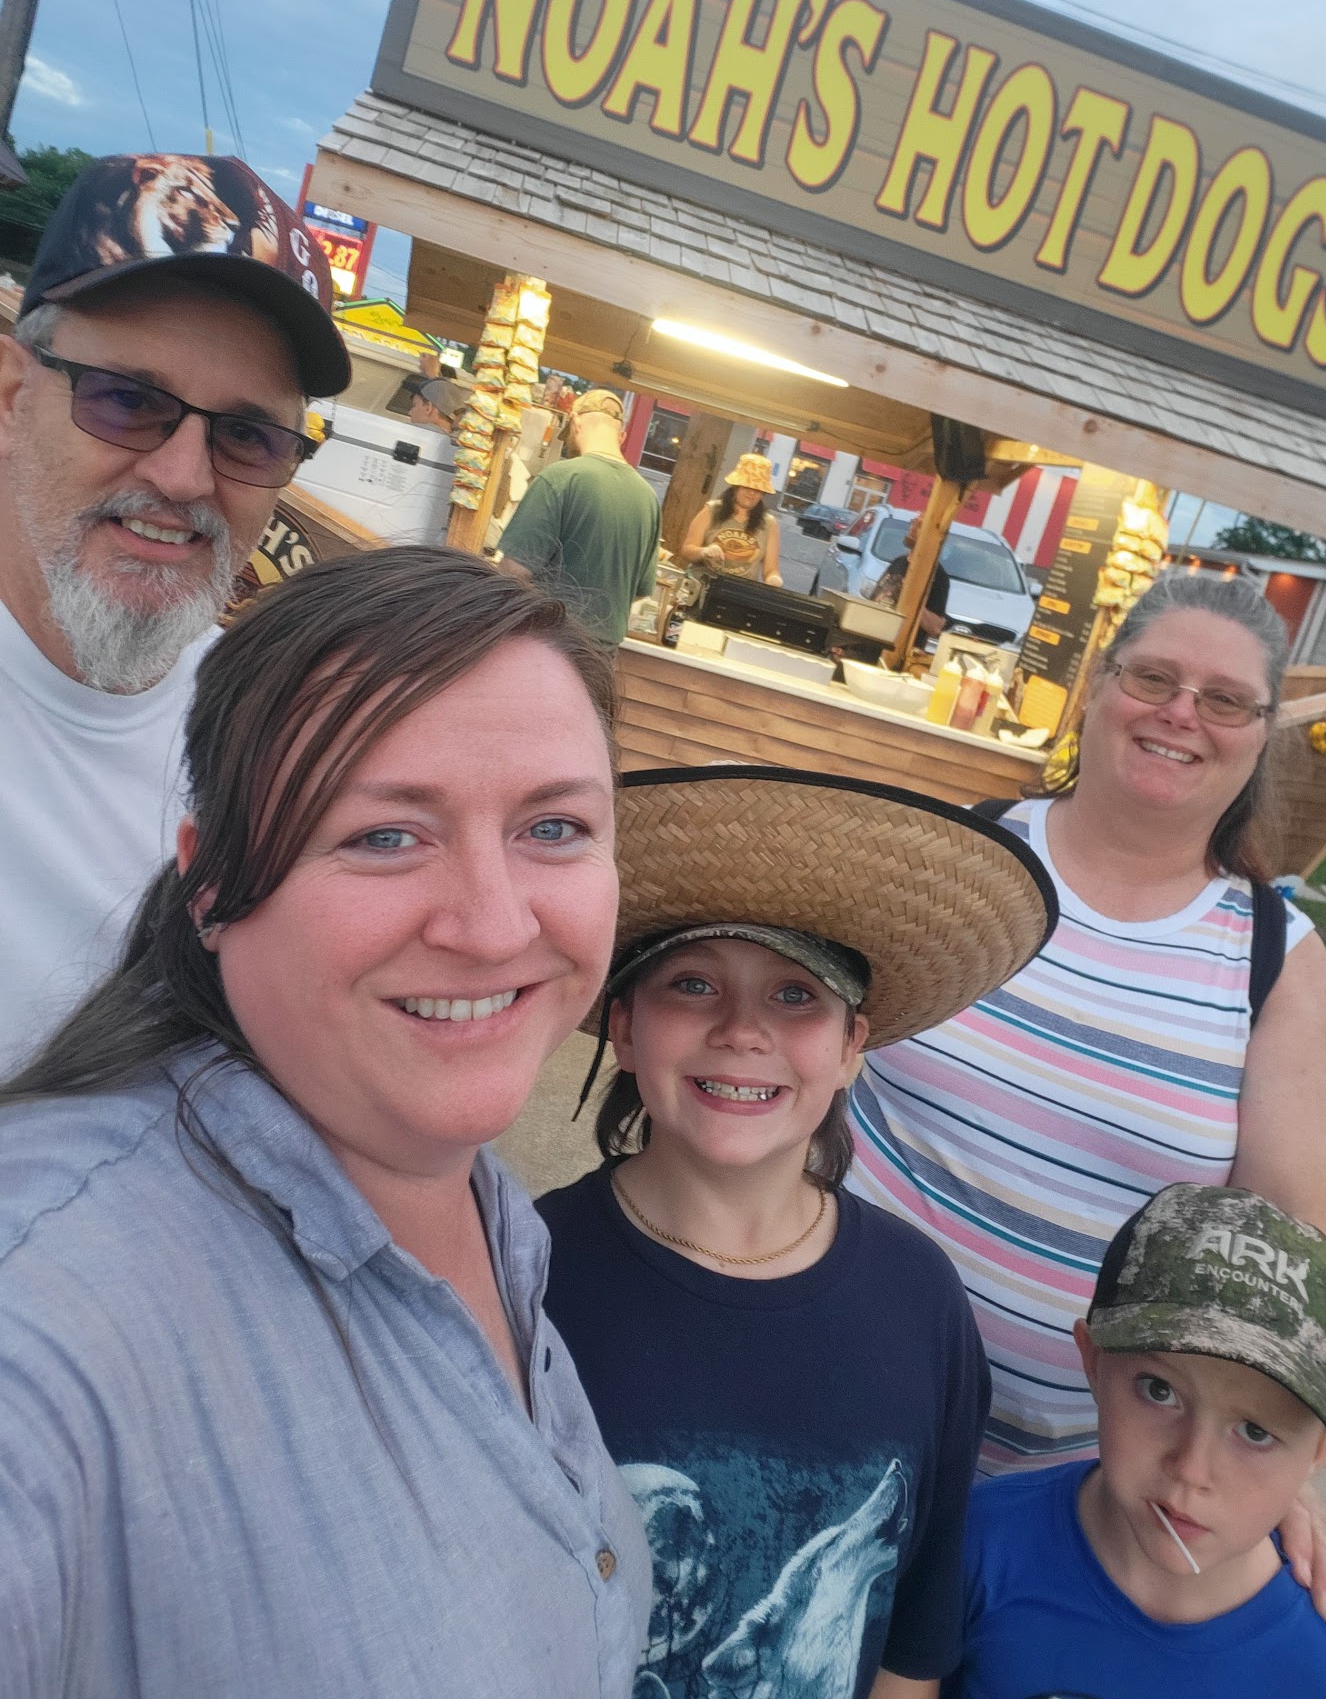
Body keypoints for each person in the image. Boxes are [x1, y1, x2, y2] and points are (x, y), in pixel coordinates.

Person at [0, 547, 649, 1698]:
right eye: (385, 836)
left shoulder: (482, 1205)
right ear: (209, 886)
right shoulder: (47, 1322)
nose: (494, 927)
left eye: (553, 828)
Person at [849, 570, 1326, 1631]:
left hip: (1059, 1512)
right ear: (1097, 684)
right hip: (826, 1406)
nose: (1181, 713)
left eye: (1225, 700)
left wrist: (1278, 1456)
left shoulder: (1275, 961)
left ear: (1261, 735)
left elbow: (1298, 1247)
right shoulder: (959, 856)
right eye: (1154, 678)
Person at [540, 762, 1057, 1699]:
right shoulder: (526, 1274)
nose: (743, 1031)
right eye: (692, 984)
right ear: (624, 1027)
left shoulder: (920, 1299)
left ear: (853, 1046)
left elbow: (914, 1634)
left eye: (795, 995)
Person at [0, 151, 350, 1077]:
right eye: (126, 401)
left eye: (247, 435)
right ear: (10, 398)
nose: (185, 477)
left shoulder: (268, 738)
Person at [955, 1183, 1326, 1695]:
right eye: (1158, 1390)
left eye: (1255, 1432)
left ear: (1320, 1452)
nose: (1191, 1468)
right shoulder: (973, 1547)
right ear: (1093, 1361)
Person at [498, 384, 660, 646]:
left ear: (575, 422)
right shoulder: (648, 498)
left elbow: (514, 571)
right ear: (621, 436)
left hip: (549, 642)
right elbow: (640, 590)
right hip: (602, 654)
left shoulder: (560, 478)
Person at [681, 451, 783, 585]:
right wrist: (704, 551)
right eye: (746, 486)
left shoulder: (769, 523)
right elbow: (687, 550)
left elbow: (770, 569)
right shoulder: (711, 510)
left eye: (757, 489)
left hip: (738, 591)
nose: (751, 493)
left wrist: (773, 579)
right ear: (736, 487)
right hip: (700, 584)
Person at [871, 514, 949, 640]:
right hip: (872, 638)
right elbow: (874, 601)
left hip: (898, 646)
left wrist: (909, 596)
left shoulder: (937, 576)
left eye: (920, 526)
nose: (912, 528)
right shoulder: (899, 562)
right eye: (913, 522)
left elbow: (936, 628)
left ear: (936, 536)